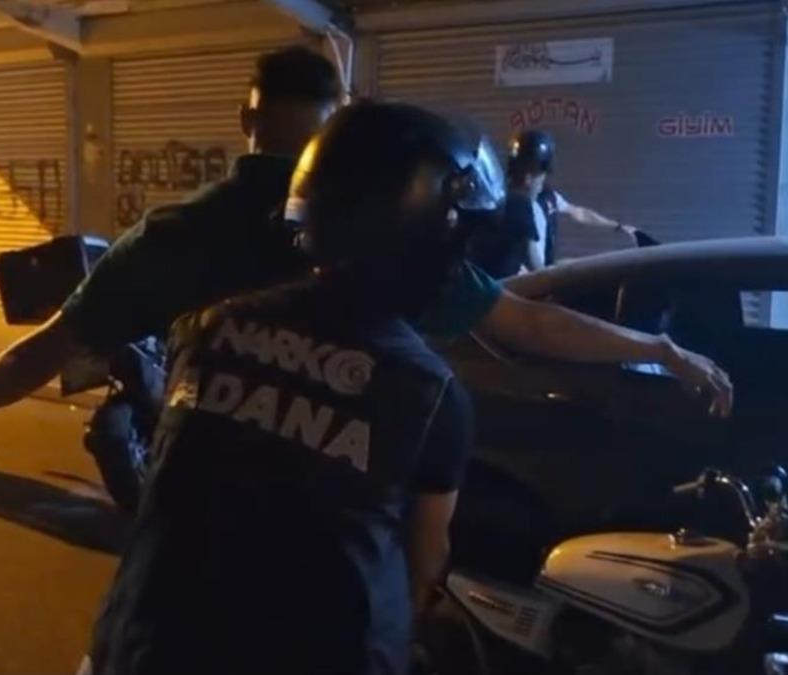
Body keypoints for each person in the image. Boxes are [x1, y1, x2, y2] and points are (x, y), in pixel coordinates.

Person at [0, 45, 731, 486]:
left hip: (194, 529)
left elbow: (54, 342)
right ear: (340, 133)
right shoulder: (393, 241)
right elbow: (530, 324)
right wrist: (659, 349)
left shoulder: (179, 232)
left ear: (247, 117)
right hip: (335, 541)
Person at [86, 101, 497, 675]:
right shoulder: (429, 393)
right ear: (428, 239)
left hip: (143, 648)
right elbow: (423, 566)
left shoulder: (206, 329)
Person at [471, 129, 635, 278]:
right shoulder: (519, 206)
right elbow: (534, 267)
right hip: (520, 288)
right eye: (542, 176)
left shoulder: (537, 198)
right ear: (529, 177)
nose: (542, 183)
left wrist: (617, 226)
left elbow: (580, 213)